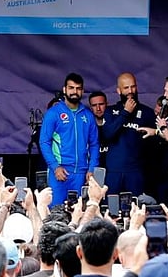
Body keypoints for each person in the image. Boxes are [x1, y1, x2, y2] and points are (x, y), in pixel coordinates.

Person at [39, 72, 99, 206]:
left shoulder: (88, 115)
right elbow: (44, 142)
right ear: (64, 89)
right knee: (56, 213)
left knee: (78, 214)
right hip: (60, 173)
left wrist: (91, 169)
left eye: (78, 88)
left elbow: (94, 144)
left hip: (81, 174)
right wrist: (55, 167)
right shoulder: (54, 113)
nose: (74, 91)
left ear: (82, 91)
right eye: (71, 88)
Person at [100, 71, 155, 195]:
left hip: (137, 171)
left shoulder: (147, 112)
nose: (130, 90)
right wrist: (125, 112)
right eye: (126, 88)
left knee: (137, 208)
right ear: (119, 91)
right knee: (112, 210)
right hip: (114, 171)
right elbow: (108, 134)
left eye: (133, 86)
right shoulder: (110, 111)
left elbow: (154, 145)